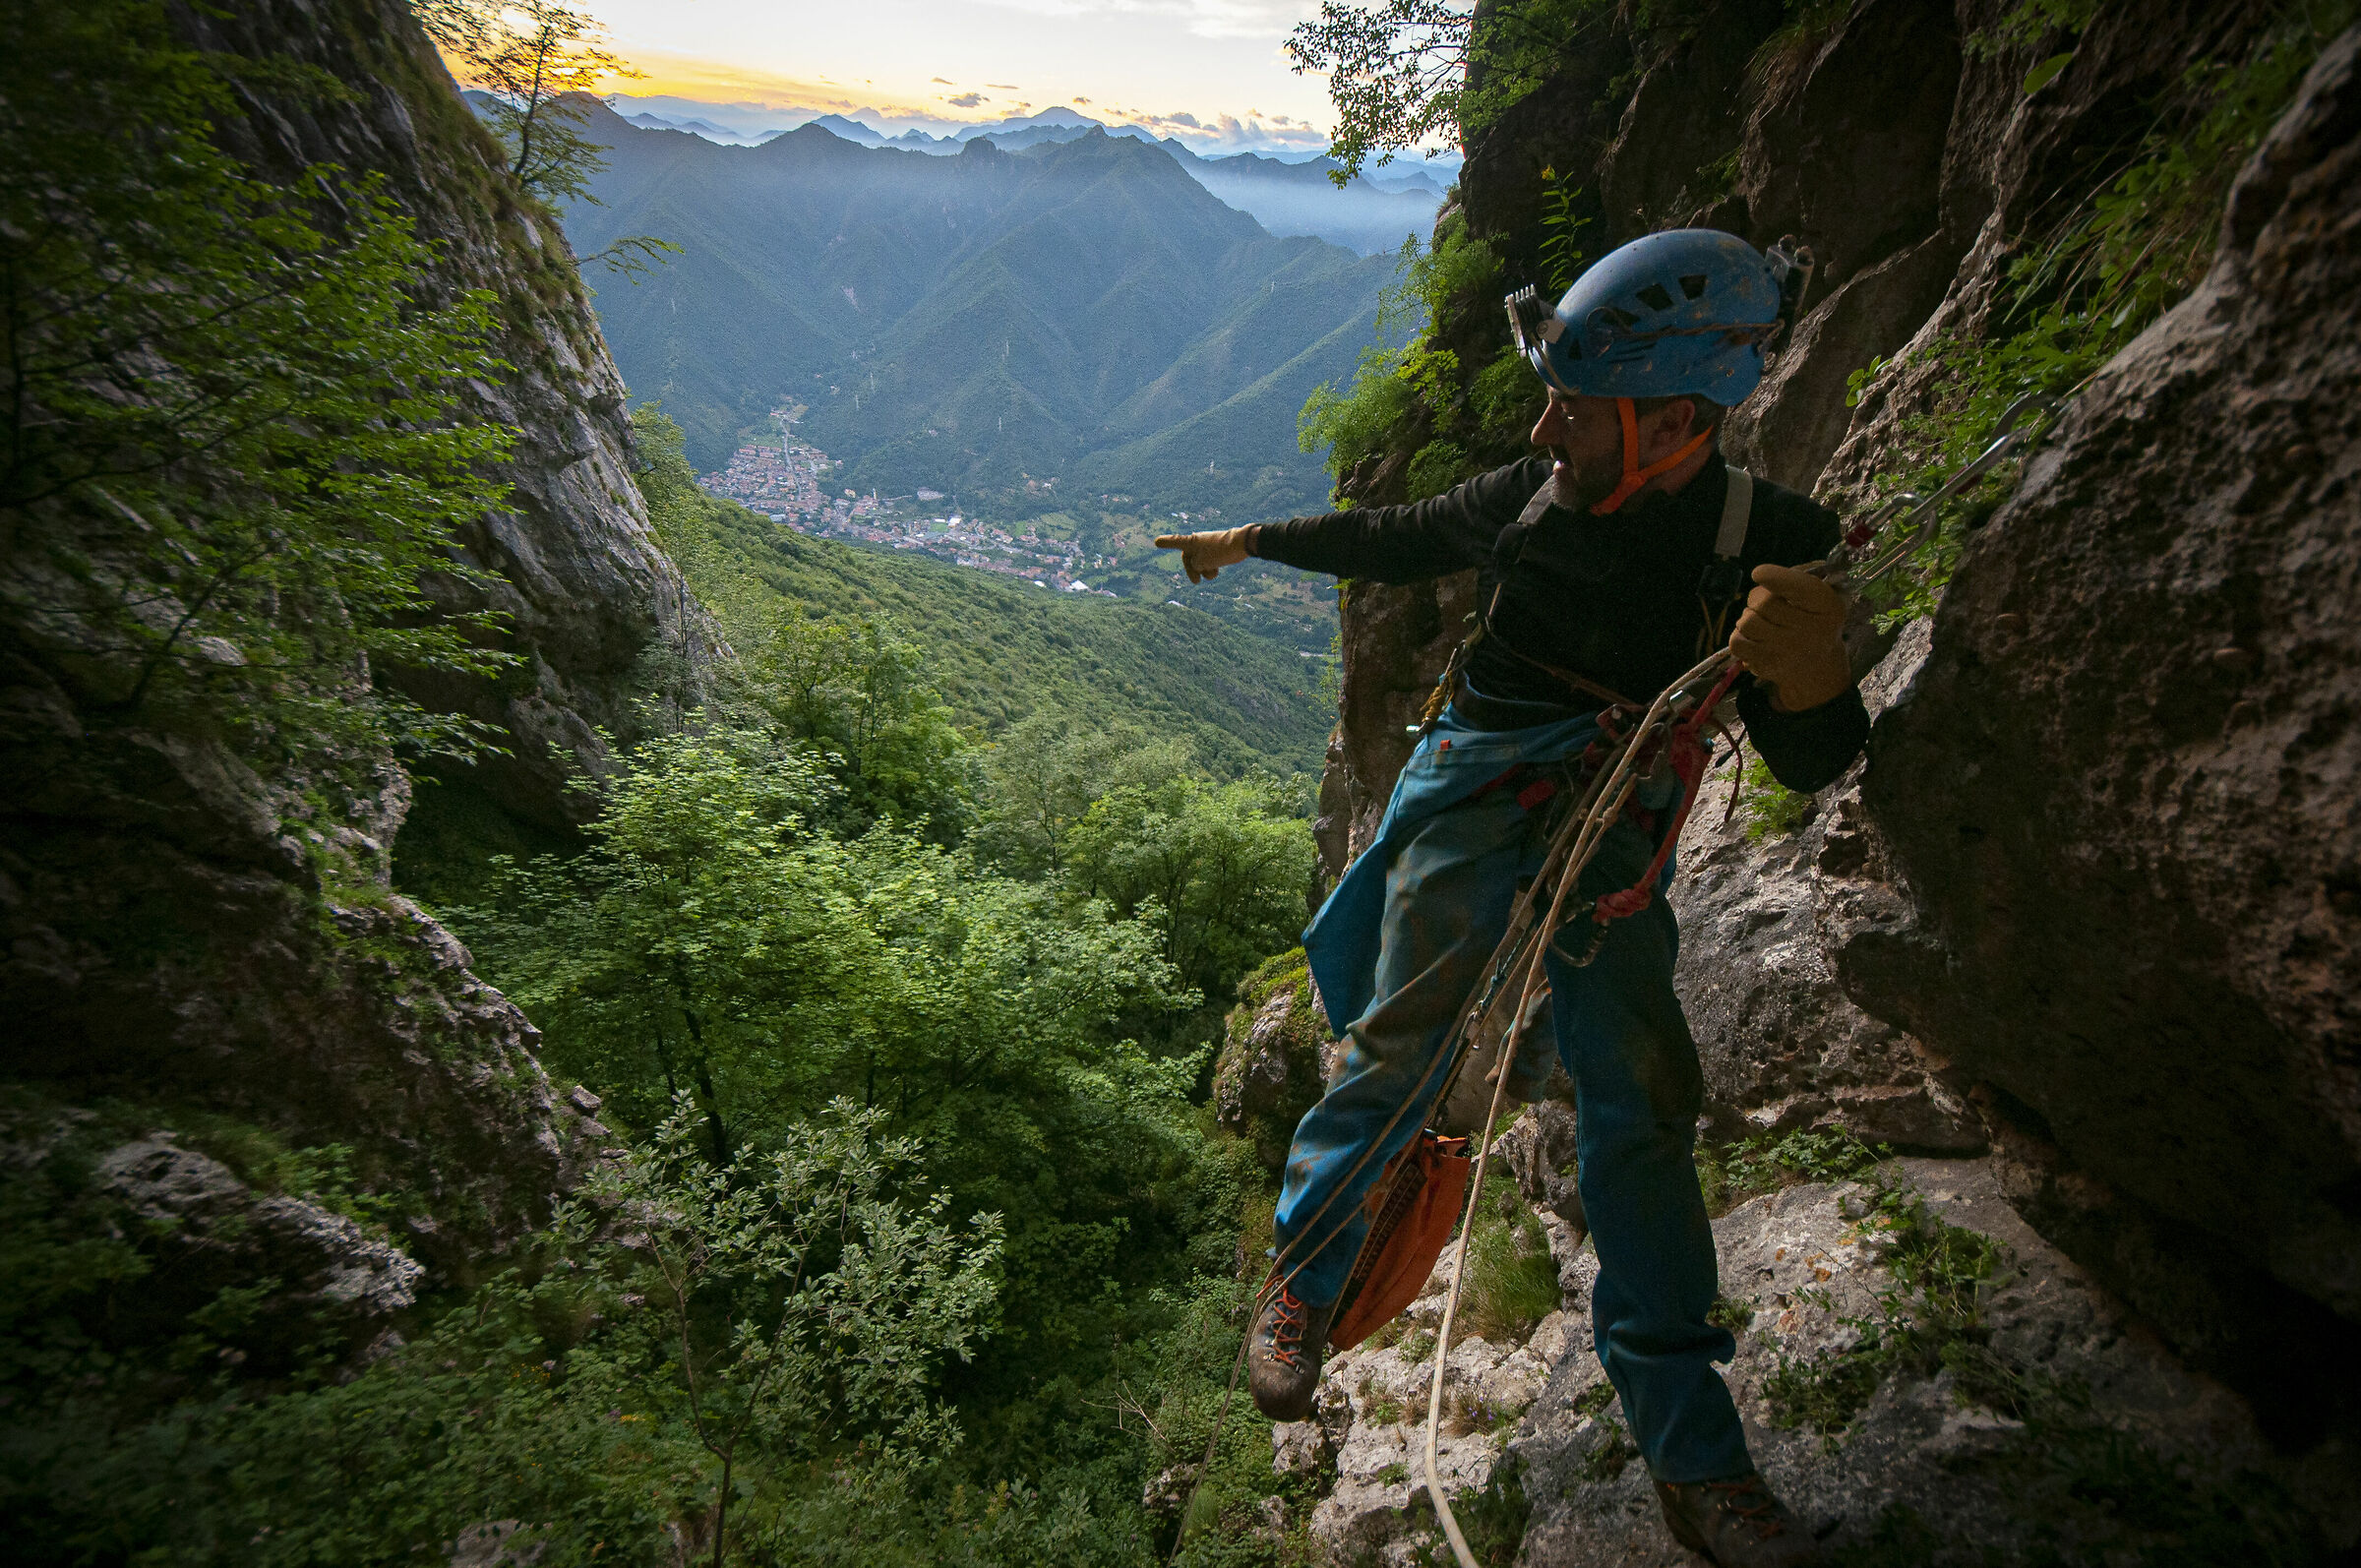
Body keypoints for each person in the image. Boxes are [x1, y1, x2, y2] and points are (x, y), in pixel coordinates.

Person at [1156, 229, 1863, 1568]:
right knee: (1399, 1044)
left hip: (1612, 829)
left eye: (1576, 409)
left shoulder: (1765, 546)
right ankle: (1303, 1285)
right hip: (1478, 785)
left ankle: (1695, 1454)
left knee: (1640, 1104)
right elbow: (1401, 536)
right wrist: (1252, 539)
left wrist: (1816, 671)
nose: (1545, 428)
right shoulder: (1540, 497)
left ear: (1670, 420)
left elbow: (1819, 758)